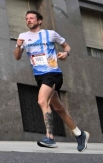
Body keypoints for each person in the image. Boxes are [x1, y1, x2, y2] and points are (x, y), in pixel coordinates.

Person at [14, 10, 89, 151]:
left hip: (53, 73)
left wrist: (65, 53)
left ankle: (50, 138)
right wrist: (18, 46)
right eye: (26, 19)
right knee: (59, 108)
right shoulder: (23, 36)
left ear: (39, 21)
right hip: (39, 76)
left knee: (42, 101)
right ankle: (80, 134)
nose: (29, 20)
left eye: (31, 18)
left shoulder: (50, 34)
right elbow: (17, 57)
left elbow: (67, 46)